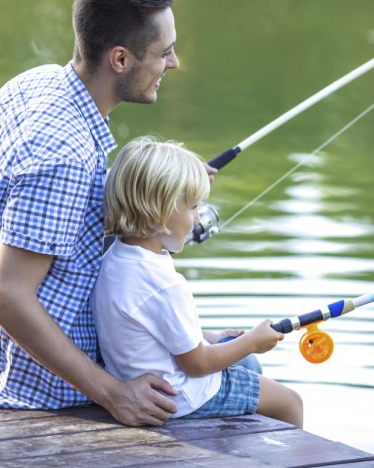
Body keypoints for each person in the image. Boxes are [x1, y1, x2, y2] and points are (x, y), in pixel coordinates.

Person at [0, 0, 188, 426]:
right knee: (252, 383)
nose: (173, 64)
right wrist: (114, 394)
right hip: (17, 383)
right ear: (120, 59)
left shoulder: (37, 85)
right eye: (164, 52)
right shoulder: (63, 153)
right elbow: (9, 298)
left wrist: (165, 186)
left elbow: (64, 208)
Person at [91, 136, 303, 427]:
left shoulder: (114, 258)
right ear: (159, 213)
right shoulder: (163, 282)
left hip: (146, 380)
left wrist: (211, 336)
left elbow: (150, 325)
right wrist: (253, 341)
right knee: (290, 402)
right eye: (192, 207)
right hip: (182, 397)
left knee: (249, 366)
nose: (196, 218)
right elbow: (198, 364)